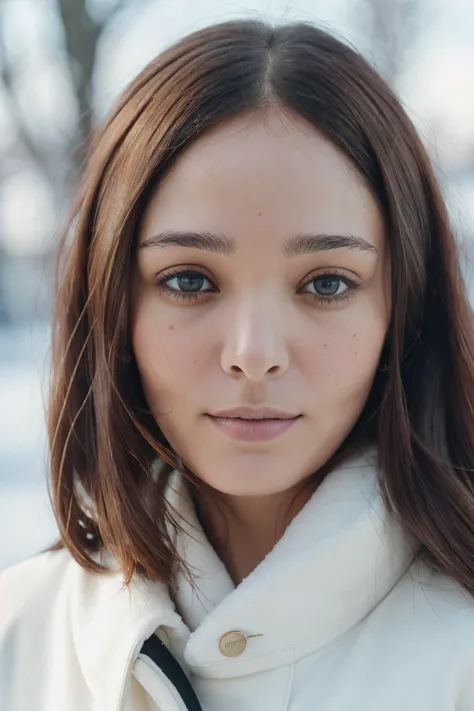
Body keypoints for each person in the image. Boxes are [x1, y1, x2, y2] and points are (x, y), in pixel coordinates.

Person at [1, 16, 474, 711]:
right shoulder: (19, 641)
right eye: (190, 280)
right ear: (110, 304)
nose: (253, 354)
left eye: (327, 283)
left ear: (404, 308)